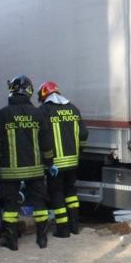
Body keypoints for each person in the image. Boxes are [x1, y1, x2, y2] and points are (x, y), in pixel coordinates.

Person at [0, 75, 53, 250]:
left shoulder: (3, 114)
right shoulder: (38, 113)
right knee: (40, 204)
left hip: (10, 171)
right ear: (29, 91)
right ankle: (42, 239)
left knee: (10, 206)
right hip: (35, 170)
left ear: (12, 90)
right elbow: (46, 143)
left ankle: (11, 241)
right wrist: (49, 164)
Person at [37, 81, 88, 237]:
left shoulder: (44, 111)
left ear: (43, 94)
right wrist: (79, 150)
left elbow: (41, 137)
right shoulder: (73, 108)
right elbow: (84, 134)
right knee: (71, 194)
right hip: (73, 162)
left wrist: (46, 160)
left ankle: (63, 230)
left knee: (57, 194)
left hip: (55, 164)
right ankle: (74, 226)